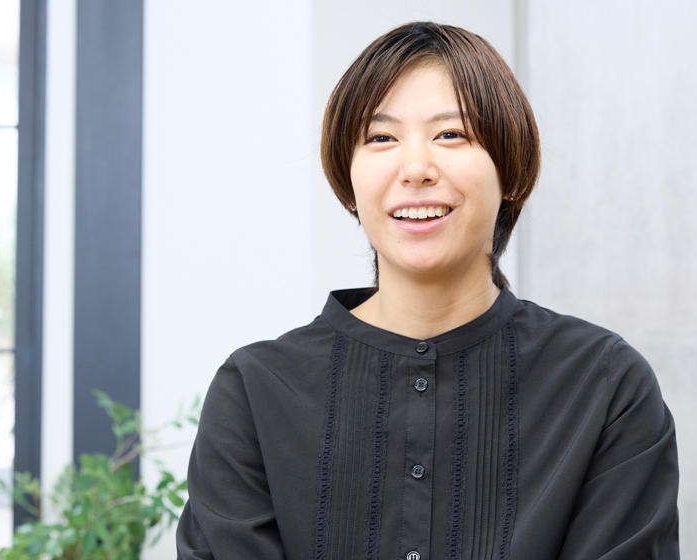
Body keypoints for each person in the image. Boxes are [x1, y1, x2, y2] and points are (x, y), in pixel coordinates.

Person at [176, 22, 679, 559]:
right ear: (349, 184)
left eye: (451, 134)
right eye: (381, 138)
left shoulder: (604, 385)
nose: (416, 169)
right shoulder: (256, 391)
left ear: (511, 171)